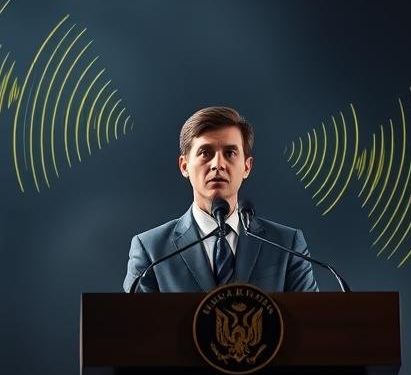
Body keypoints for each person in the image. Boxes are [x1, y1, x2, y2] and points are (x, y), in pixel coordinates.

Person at [123, 106, 319, 293]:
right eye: (205, 153)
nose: (218, 164)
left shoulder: (287, 245)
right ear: (184, 166)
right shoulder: (151, 250)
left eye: (230, 153)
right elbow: (136, 317)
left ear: (247, 167)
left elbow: (310, 314)